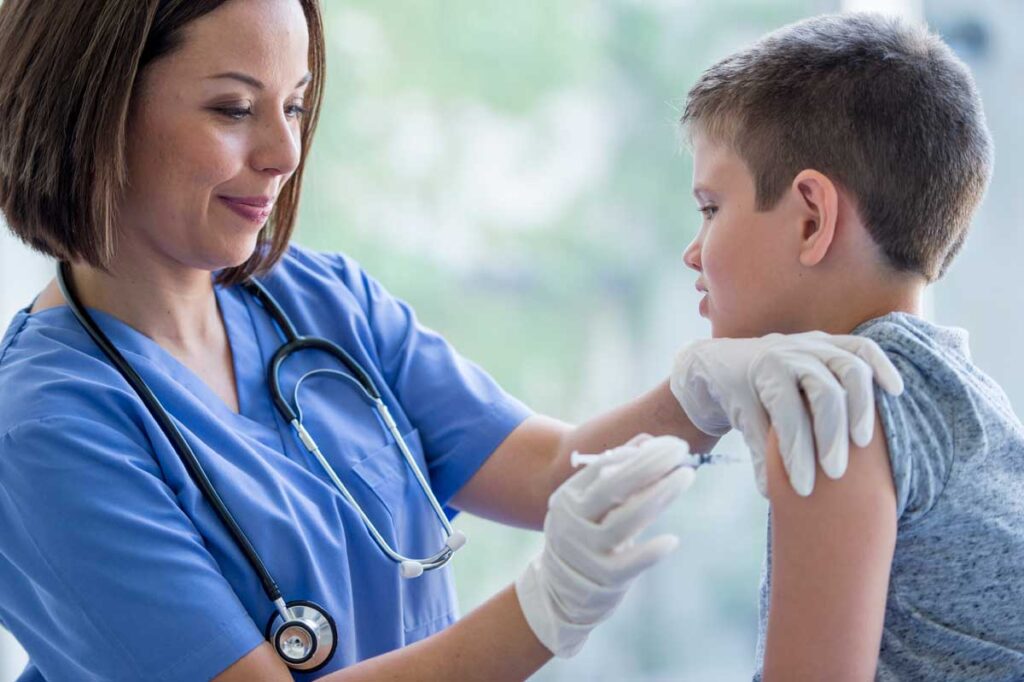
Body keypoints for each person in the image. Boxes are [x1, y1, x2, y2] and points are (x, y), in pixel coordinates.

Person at [0, 2, 900, 680]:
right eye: (235, 110)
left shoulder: (315, 300)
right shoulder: (42, 434)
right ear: (95, 110)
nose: (283, 152)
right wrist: (545, 611)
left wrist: (699, 394)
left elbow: (548, 473)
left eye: (299, 107)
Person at [679, 12, 1024, 680]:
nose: (693, 252)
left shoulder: (839, 402)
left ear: (812, 217)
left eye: (711, 208)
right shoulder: (967, 397)